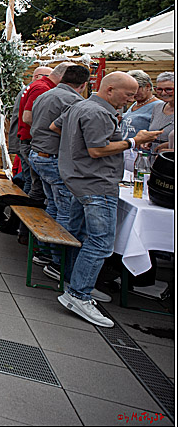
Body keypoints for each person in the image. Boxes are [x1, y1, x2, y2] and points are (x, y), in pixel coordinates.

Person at [56, 72, 161, 327]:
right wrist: (134, 141)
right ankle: (78, 294)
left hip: (80, 181)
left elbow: (59, 130)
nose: (130, 100)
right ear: (110, 89)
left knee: (79, 236)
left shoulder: (80, 105)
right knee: (101, 243)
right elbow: (97, 150)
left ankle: (76, 284)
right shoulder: (98, 112)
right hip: (96, 184)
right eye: (127, 95)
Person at [28, 64, 91, 284]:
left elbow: (29, 119)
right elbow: (66, 129)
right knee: (67, 211)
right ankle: (58, 263)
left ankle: (45, 252)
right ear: (83, 85)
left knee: (52, 206)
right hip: (53, 158)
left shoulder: (46, 94)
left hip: (38, 155)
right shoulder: (74, 101)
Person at [11, 66, 52, 196]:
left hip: (22, 139)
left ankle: (20, 209)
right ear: (37, 76)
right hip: (27, 140)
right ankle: (22, 211)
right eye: (47, 77)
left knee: (28, 178)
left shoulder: (27, 90)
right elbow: (27, 118)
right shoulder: (38, 89)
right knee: (31, 180)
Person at [120, 70, 159, 140]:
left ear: (147, 86)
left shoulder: (158, 106)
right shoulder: (135, 104)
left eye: (136, 89)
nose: (133, 93)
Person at [147, 71, 174, 157]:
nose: (163, 93)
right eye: (159, 89)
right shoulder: (157, 107)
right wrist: (148, 141)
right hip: (153, 160)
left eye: (168, 89)